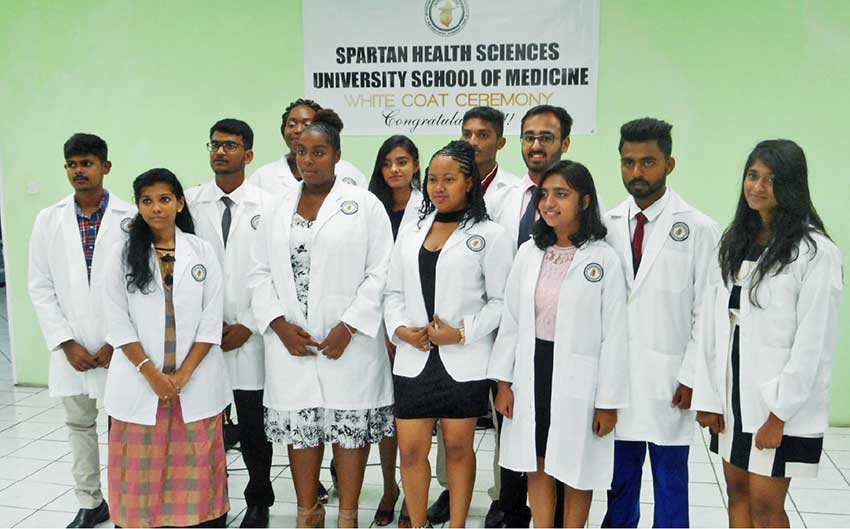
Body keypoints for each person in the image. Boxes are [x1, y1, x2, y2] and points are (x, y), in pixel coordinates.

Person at [248, 109, 395, 528]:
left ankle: (347, 515)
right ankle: (307, 511)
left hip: (350, 343)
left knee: (349, 430)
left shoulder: (365, 205)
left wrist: (349, 326)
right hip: (292, 343)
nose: (308, 160)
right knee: (301, 429)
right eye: (300, 152)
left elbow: (382, 270)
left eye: (318, 151)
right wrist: (278, 325)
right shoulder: (276, 209)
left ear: (337, 155)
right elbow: (257, 273)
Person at [692, 139, 842, 528]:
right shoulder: (732, 241)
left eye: (771, 179)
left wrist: (780, 415)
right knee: (736, 491)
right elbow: (711, 323)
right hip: (732, 395)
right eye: (753, 175)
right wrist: (709, 395)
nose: (757, 187)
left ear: (791, 186)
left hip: (776, 402)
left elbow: (813, 342)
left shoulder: (814, 252)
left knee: (765, 505)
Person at [489, 160, 629, 528]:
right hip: (532, 369)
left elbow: (615, 334)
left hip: (581, 375)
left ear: (584, 201)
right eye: (544, 194)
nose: (549, 202)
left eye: (561, 194)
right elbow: (512, 321)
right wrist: (503, 382)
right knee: (537, 461)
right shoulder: (529, 253)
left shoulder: (604, 258)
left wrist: (608, 403)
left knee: (576, 465)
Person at [385, 140, 512, 528]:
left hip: (463, 360)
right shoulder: (412, 229)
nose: (439, 187)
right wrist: (399, 330)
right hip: (414, 358)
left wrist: (461, 333)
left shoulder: (490, 234)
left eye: (450, 179)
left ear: (469, 182)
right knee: (410, 452)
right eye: (434, 179)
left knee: (458, 449)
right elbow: (392, 292)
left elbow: (501, 301)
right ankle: (418, 522)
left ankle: (457, 524)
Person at [601, 118, 720, 528]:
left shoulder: (699, 228)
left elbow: (708, 310)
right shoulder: (606, 224)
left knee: (670, 479)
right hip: (617, 378)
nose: (636, 172)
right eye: (628, 162)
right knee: (618, 478)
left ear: (669, 164)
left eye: (648, 162)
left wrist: (692, 375)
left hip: (671, 377)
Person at [103, 168, 230, 528]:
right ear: (138, 207)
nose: (156, 208)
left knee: (197, 468)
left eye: (164, 199)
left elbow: (211, 318)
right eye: (147, 201)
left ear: (179, 202)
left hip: (194, 382)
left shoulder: (201, 251)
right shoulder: (122, 254)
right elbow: (117, 321)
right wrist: (151, 373)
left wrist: (184, 374)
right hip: (142, 382)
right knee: (140, 475)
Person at [28, 133, 136, 528]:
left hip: (119, 346)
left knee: (123, 427)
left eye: (87, 163)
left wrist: (117, 341)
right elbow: (40, 285)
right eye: (72, 164)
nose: (79, 171)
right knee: (79, 426)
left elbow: (138, 285)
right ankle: (91, 502)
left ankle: (126, 502)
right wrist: (64, 341)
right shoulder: (48, 219)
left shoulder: (129, 218)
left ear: (106, 167)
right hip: (71, 348)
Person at [428, 106, 521, 528]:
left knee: (504, 417)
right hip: (456, 333)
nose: (474, 141)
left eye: (484, 134)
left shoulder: (515, 192)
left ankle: (504, 496)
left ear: (500, 142)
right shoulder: (438, 197)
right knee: (455, 426)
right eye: (468, 133)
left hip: (506, 321)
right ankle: (450, 491)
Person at [185, 119, 275, 528]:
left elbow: (277, 273)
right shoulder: (188, 203)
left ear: (248, 155)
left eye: (231, 146)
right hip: (202, 338)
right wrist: (206, 327)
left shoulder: (269, 204)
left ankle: (259, 499)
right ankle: (213, 502)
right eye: (216, 144)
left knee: (254, 424)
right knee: (208, 426)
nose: (221, 152)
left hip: (251, 335)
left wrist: (250, 324)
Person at [367, 134, 423, 526]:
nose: (394, 170)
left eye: (402, 161)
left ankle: (413, 495)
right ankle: (390, 488)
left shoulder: (430, 207)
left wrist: (400, 327)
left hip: (411, 325)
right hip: (372, 325)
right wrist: (384, 328)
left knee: (412, 418)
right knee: (387, 416)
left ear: (416, 166)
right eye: (387, 163)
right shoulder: (370, 207)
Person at [492, 105, 573, 254]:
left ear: (565, 143)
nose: (536, 146)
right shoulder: (499, 199)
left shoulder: (580, 200)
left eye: (545, 138)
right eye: (529, 138)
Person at [249, 98, 367, 194]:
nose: (298, 130)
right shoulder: (262, 177)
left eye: (307, 124)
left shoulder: (349, 173)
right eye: (291, 124)